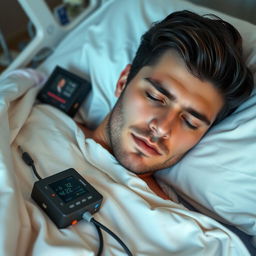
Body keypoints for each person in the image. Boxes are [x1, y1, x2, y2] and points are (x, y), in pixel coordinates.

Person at [78, 10, 253, 198]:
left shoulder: (181, 225)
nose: (162, 128)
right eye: (155, 97)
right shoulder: (45, 122)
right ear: (123, 82)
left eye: (190, 122)